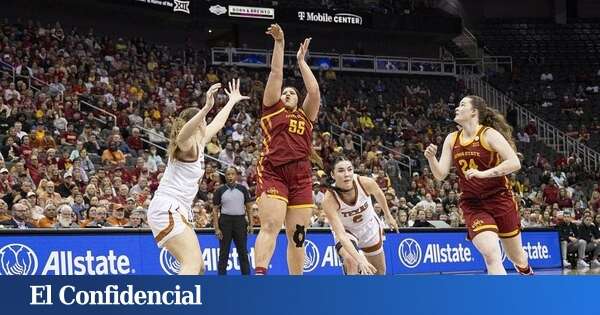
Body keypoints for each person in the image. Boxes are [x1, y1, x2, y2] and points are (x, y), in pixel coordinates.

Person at [147, 80, 249, 275]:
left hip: (179, 210)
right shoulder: (187, 146)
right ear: (196, 124)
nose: (205, 124)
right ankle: (180, 304)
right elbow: (182, 137)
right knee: (192, 265)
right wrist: (205, 109)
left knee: (199, 268)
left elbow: (218, 123)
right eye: (203, 121)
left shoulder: (199, 143)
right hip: (167, 208)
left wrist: (232, 101)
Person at [424, 95, 533, 275]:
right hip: (473, 204)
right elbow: (440, 174)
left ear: (474, 112)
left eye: (462, 105)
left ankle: (526, 272)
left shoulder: (488, 134)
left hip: (500, 199)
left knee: (517, 257)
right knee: (491, 254)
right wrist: (431, 159)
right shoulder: (452, 139)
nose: (457, 108)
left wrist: (484, 174)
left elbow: (514, 163)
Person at [254, 24, 322, 275]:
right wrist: (280, 43)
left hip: (302, 175)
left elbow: (314, 91)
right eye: (286, 92)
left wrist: (301, 61)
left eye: (293, 92)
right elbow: (275, 74)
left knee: (298, 236)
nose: (289, 93)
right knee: (271, 224)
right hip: (274, 171)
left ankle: (297, 285)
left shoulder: (306, 116)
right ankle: (259, 276)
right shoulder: (272, 108)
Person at [321, 158, 398, 275]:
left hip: (369, 228)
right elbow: (341, 235)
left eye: (349, 169)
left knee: (379, 272)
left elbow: (378, 193)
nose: (346, 174)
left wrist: (388, 215)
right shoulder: (329, 199)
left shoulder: (365, 182)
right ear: (332, 174)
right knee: (351, 260)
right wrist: (360, 259)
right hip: (347, 231)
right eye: (341, 171)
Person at [212, 167, 253, 275]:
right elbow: (215, 210)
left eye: (232, 174)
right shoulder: (220, 190)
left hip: (240, 221)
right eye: (228, 174)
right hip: (225, 222)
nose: (230, 176)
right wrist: (216, 228)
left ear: (236, 176)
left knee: (243, 252)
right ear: (225, 176)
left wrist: (251, 225)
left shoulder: (243, 189)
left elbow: (249, 207)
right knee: (224, 252)